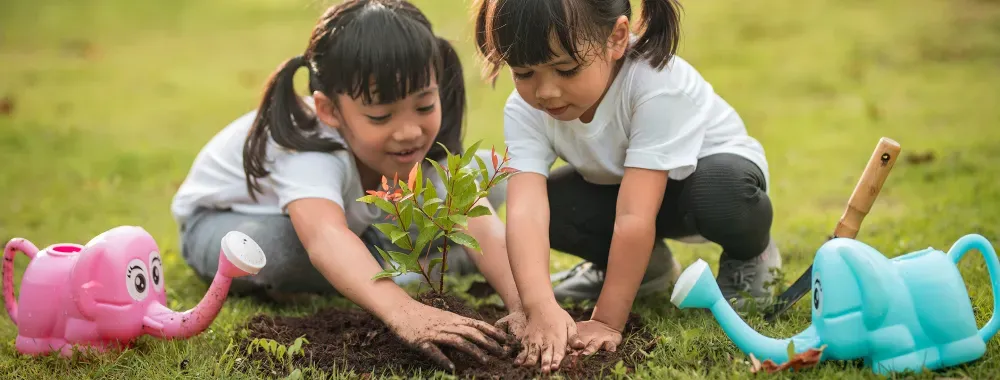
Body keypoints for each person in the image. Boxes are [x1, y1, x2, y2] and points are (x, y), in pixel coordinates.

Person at [170, 0, 526, 371]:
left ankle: (402, 259)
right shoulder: (309, 145)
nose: (408, 131)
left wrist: (524, 306)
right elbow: (324, 237)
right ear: (328, 110)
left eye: (424, 107)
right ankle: (409, 266)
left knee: (483, 176)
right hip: (229, 226)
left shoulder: (407, 138)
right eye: (380, 116)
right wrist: (406, 312)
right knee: (278, 251)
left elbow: (473, 214)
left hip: (358, 226)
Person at [472, 0, 782, 373]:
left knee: (722, 192)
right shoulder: (525, 111)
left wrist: (606, 320)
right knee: (549, 206)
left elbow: (635, 217)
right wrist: (539, 306)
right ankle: (650, 271)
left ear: (616, 38)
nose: (546, 92)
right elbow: (526, 210)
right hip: (625, 189)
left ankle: (752, 256)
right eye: (524, 73)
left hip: (705, 183)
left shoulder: (655, 84)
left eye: (566, 69)